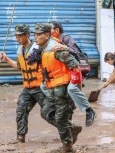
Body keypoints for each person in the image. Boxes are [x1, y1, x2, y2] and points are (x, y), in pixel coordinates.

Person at [32, 23, 82, 153]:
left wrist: (76, 90)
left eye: (38, 35)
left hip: (63, 89)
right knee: (45, 112)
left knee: (60, 118)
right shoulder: (43, 48)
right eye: (34, 34)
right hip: (52, 88)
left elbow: (75, 67)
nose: (35, 37)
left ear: (47, 35)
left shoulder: (56, 48)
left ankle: (67, 147)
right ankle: (71, 128)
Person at [0, 24, 46, 143]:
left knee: (48, 113)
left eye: (20, 36)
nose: (17, 38)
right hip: (28, 88)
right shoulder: (20, 50)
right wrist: (6, 59)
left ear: (27, 35)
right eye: (16, 36)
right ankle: (20, 137)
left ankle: (69, 129)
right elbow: (20, 67)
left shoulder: (38, 48)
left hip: (41, 87)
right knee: (21, 109)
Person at [48, 21, 96, 127]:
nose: (47, 32)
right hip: (61, 73)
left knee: (71, 89)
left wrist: (65, 47)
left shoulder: (65, 38)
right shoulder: (49, 41)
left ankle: (89, 110)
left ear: (56, 30)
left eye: (49, 29)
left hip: (74, 69)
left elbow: (75, 51)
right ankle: (68, 126)